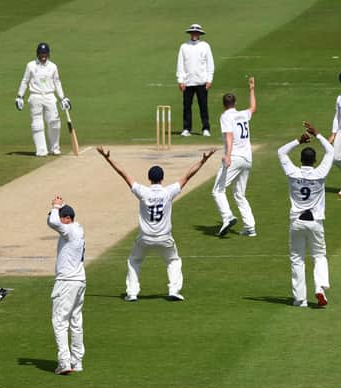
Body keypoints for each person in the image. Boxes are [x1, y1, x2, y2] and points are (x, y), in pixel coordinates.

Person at [97, 146, 216, 301]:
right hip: (164, 238)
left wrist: (107, 158)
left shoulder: (143, 192)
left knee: (134, 261)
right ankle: (173, 290)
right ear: (162, 178)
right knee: (173, 261)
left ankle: (132, 293)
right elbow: (188, 176)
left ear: (149, 178)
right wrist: (204, 160)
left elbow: (123, 174)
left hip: (145, 238)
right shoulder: (168, 192)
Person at [277, 122, 333, 308]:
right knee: (319, 255)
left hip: (297, 222)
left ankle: (299, 299)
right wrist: (317, 134)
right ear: (314, 161)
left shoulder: (293, 172)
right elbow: (330, 151)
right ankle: (319, 288)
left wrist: (298, 140)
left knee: (297, 259)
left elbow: (281, 152)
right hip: (316, 221)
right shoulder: (320, 174)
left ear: (301, 160)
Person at [213, 77, 257, 237]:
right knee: (239, 194)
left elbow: (229, 137)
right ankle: (250, 227)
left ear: (224, 105)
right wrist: (252, 89)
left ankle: (227, 217)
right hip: (247, 159)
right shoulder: (243, 114)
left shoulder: (226, 116)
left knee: (218, 190)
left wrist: (227, 155)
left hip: (236, 157)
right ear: (235, 103)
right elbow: (253, 108)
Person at [46, 196, 86, 375]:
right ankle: (76, 361)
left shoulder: (70, 230)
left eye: (61, 217)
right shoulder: (77, 229)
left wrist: (56, 206)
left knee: (59, 322)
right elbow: (53, 219)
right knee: (76, 322)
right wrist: (55, 209)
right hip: (79, 281)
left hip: (67, 282)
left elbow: (53, 222)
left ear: (67, 218)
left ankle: (64, 362)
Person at [16, 42, 72, 157]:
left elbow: (57, 82)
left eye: (45, 54)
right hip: (35, 96)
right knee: (37, 124)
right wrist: (20, 96)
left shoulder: (53, 66)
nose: (43, 56)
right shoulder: (30, 65)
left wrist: (62, 97)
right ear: (38, 54)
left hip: (50, 96)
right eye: (41, 54)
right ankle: (41, 150)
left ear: (48, 54)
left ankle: (54, 148)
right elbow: (25, 81)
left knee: (55, 123)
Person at [176, 23, 215, 137]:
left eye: (196, 32)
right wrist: (180, 80)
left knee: (203, 105)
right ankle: (187, 128)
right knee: (187, 106)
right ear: (190, 33)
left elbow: (210, 64)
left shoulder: (205, 46)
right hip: (188, 82)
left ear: (199, 34)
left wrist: (209, 79)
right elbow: (180, 64)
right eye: (193, 32)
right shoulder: (184, 46)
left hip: (202, 81)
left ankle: (206, 128)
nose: (194, 34)